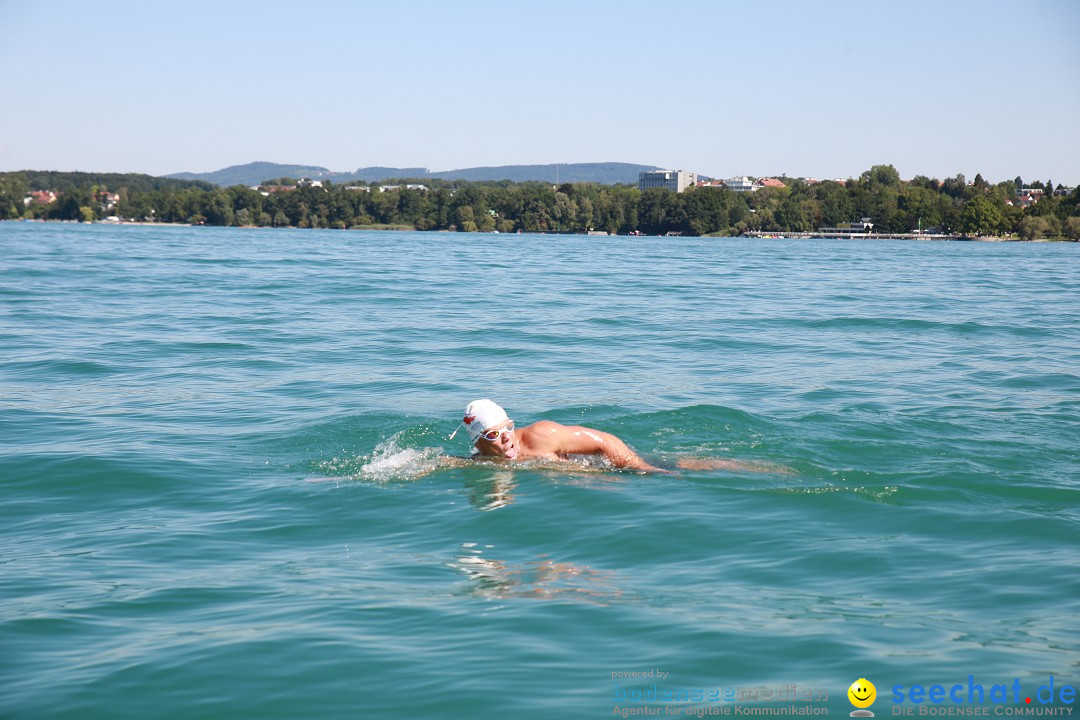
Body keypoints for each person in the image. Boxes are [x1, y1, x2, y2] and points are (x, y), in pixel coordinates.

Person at [450, 399, 665, 472]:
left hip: (620, 470)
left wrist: (639, 467)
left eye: (508, 427)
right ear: (478, 444)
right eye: (494, 434)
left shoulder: (541, 435)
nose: (507, 437)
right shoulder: (482, 462)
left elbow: (605, 441)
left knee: (683, 466)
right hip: (593, 482)